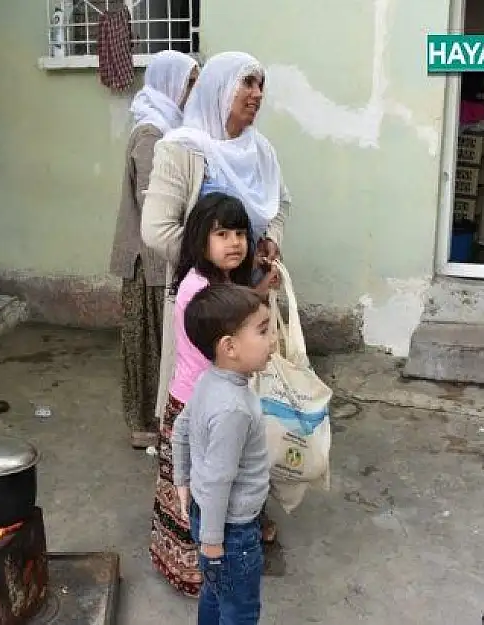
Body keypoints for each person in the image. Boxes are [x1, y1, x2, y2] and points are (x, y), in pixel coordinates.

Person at [141, 49, 290, 551]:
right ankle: (194, 537)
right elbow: (156, 228)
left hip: (248, 301)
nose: (257, 95)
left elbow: (278, 204)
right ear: (220, 88)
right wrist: (217, 258)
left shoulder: (260, 150)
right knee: (198, 414)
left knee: (246, 411)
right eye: (247, 83)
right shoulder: (181, 149)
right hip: (204, 308)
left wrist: (269, 242)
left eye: (261, 85)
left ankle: (247, 512)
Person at [149, 192, 279, 597]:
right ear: (200, 239)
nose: (235, 242)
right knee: (204, 486)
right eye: (222, 233)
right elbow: (223, 338)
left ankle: (210, 561)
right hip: (197, 403)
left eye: (240, 232)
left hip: (206, 398)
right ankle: (201, 568)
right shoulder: (196, 290)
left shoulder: (218, 281)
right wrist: (259, 294)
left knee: (208, 484)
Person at [109, 50, 199, 450]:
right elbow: (154, 204)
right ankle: (144, 423)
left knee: (162, 344)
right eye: (189, 83)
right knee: (147, 345)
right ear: (171, 84)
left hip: (161, 259)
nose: (193, 91)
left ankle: (160, 419)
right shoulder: (151, 133)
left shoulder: (170, 127)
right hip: (149, 261)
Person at [171, 283, 274, 624]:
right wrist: (214, 544)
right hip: (233, 533)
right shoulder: (235, 409)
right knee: (240, 611)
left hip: (208, 518)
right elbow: (217, 481)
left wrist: (182, 480)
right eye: (262, 331)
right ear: (229, 347)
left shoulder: (206, 381)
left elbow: (180, 429)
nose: (272, 340)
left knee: (215, 596)